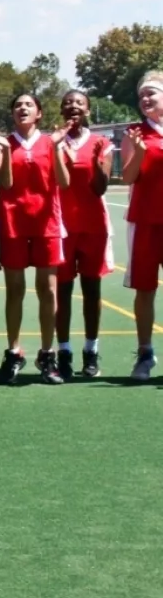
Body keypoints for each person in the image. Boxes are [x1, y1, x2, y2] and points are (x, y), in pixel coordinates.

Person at [0, 92, 69, 384]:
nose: (22, 108)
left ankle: (47, 355)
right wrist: (5, 151)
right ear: (13, 114)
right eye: (17, 105)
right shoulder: (2, 144)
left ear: (38, 113)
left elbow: (64, 182)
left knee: (48, 290)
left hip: (46, 223)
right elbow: (7, 182)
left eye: (29, 105)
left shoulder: (50, 142)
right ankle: (14, 352)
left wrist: (58, 149)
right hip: (13, 222)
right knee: (15, 290)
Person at [52, 89, 113, 379]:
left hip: (92, 227)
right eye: (68, 103)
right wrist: (58, 146)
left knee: (91, 290)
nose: (73, 106)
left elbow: (101, 187)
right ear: (61, 110)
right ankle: (64, 351)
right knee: (61, 292)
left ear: (88, 110)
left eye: (79, 103)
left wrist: (98, 163)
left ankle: (91, 350)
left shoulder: (101, 142)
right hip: (61, 227)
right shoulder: (51, 142)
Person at [119, 70, 163, 382]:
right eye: (142, 96)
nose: (146, 99)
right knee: (145, 290)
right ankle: (145, 353)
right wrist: (141, 154)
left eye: (152, 94)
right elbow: (129, 177)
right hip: (145, 221)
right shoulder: (135, 133)